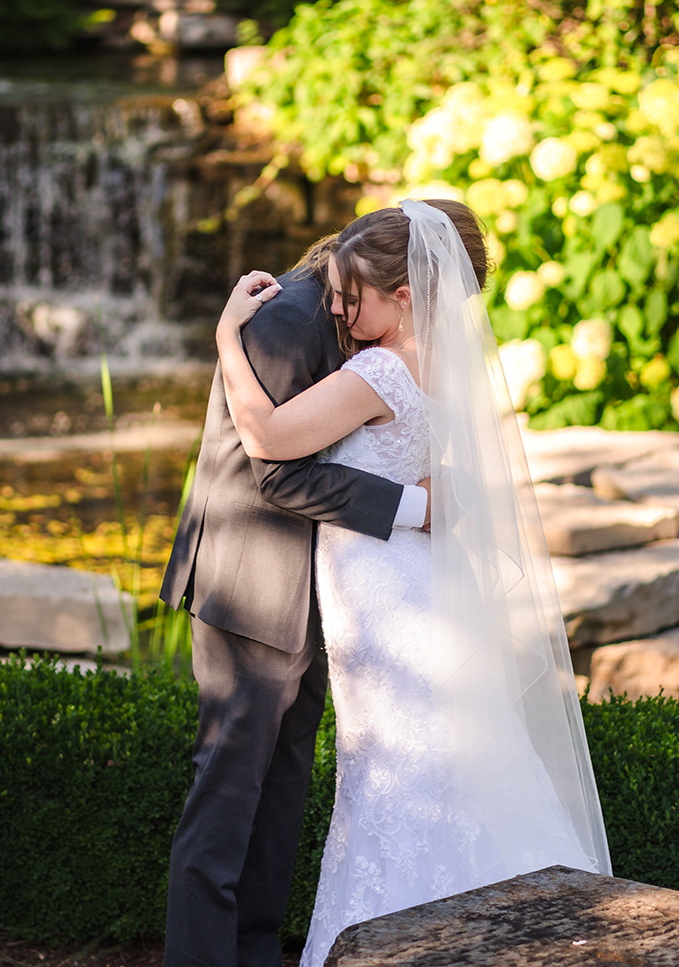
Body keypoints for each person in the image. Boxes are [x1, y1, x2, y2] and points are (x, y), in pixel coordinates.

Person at [216, 198, 611, 967]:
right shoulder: (440, 365)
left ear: (404, 295)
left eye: (349, 294)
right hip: (413, 583)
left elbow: (265, 436)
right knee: (443, 765)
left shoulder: (379, 368)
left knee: (395, 775)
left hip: (384, 596)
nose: (333, 307)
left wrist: (227, 335)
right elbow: (430, 478)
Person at [159, 238, 431, 967]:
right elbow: (273, 477)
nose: (348, 312)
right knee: (226, 802)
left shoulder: (363, 322)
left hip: (318, 592)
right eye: (346, 296)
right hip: (250, 585)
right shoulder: (284, 318)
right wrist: (414, 507)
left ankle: (253, 953)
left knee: (279, 798)